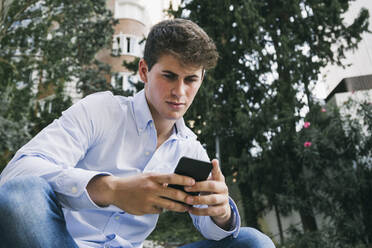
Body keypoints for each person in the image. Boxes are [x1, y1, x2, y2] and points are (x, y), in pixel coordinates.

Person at [0, 19, 276, 248]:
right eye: (169, 76)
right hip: (62, 243)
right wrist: (110, 189)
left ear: (201, 79)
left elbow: (212, 231)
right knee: (21, 195)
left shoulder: (191, 150)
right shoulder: (101, 110)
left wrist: (221, 214)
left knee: (253, 242)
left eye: (190, 79)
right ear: (144, 71)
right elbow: (15, 176)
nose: (180, 92)